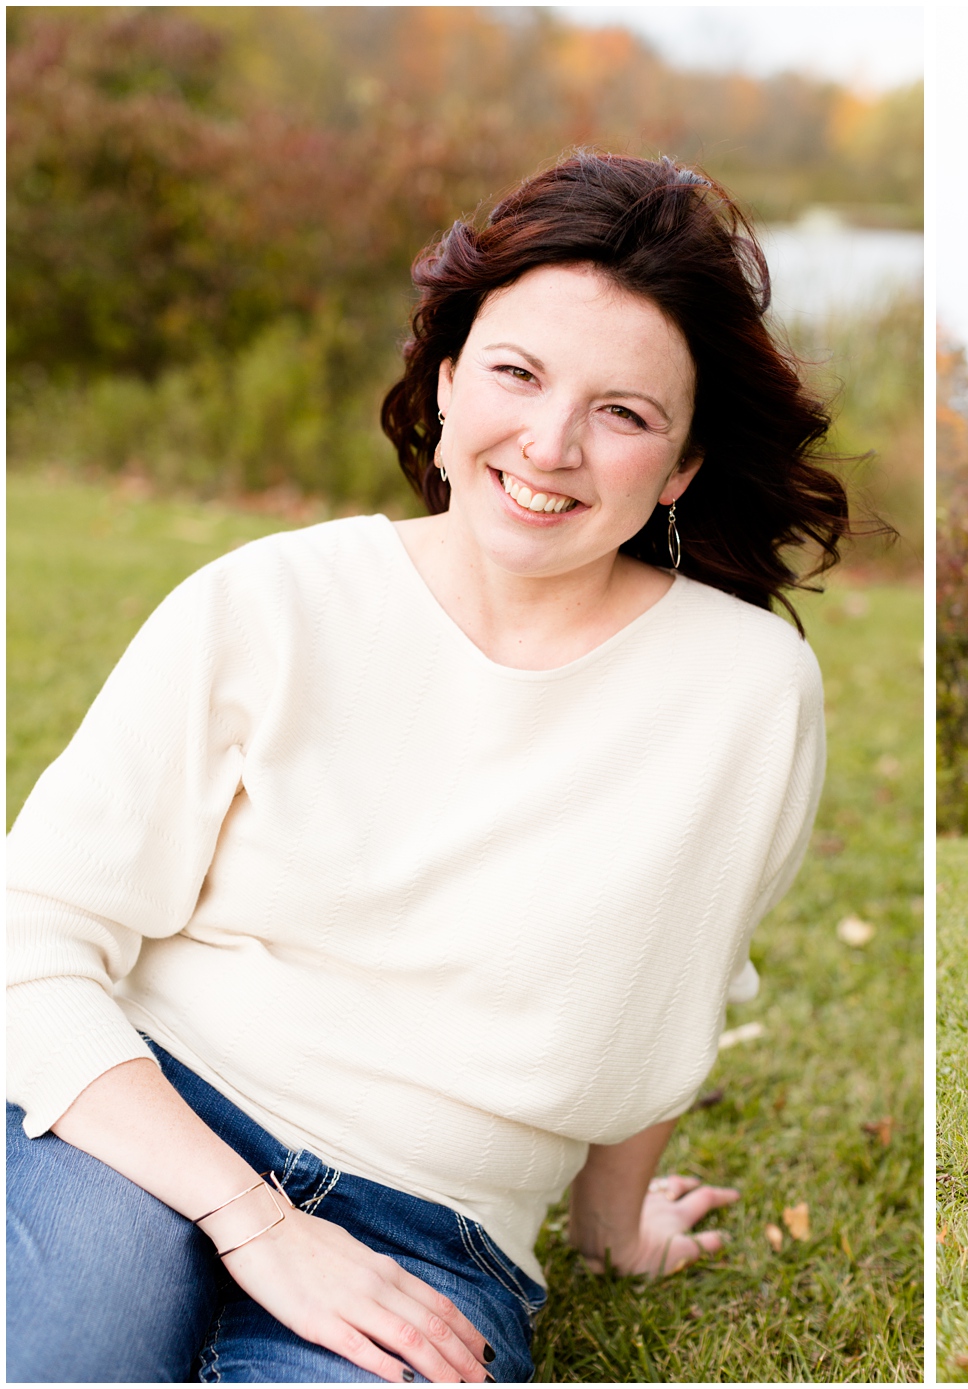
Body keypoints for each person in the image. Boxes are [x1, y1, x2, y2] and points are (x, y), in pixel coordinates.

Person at [7, 152, 850, 1382]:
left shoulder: (746, 691)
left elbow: (676, 978)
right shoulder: (273, 600)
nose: (551, 444)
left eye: (624, 412)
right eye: (516, 374)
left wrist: (611, 1235)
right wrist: (258, 1224)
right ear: (448, 384)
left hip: (431, 1231)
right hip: (136, 1127)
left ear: (679, 468)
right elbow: (27, 937)